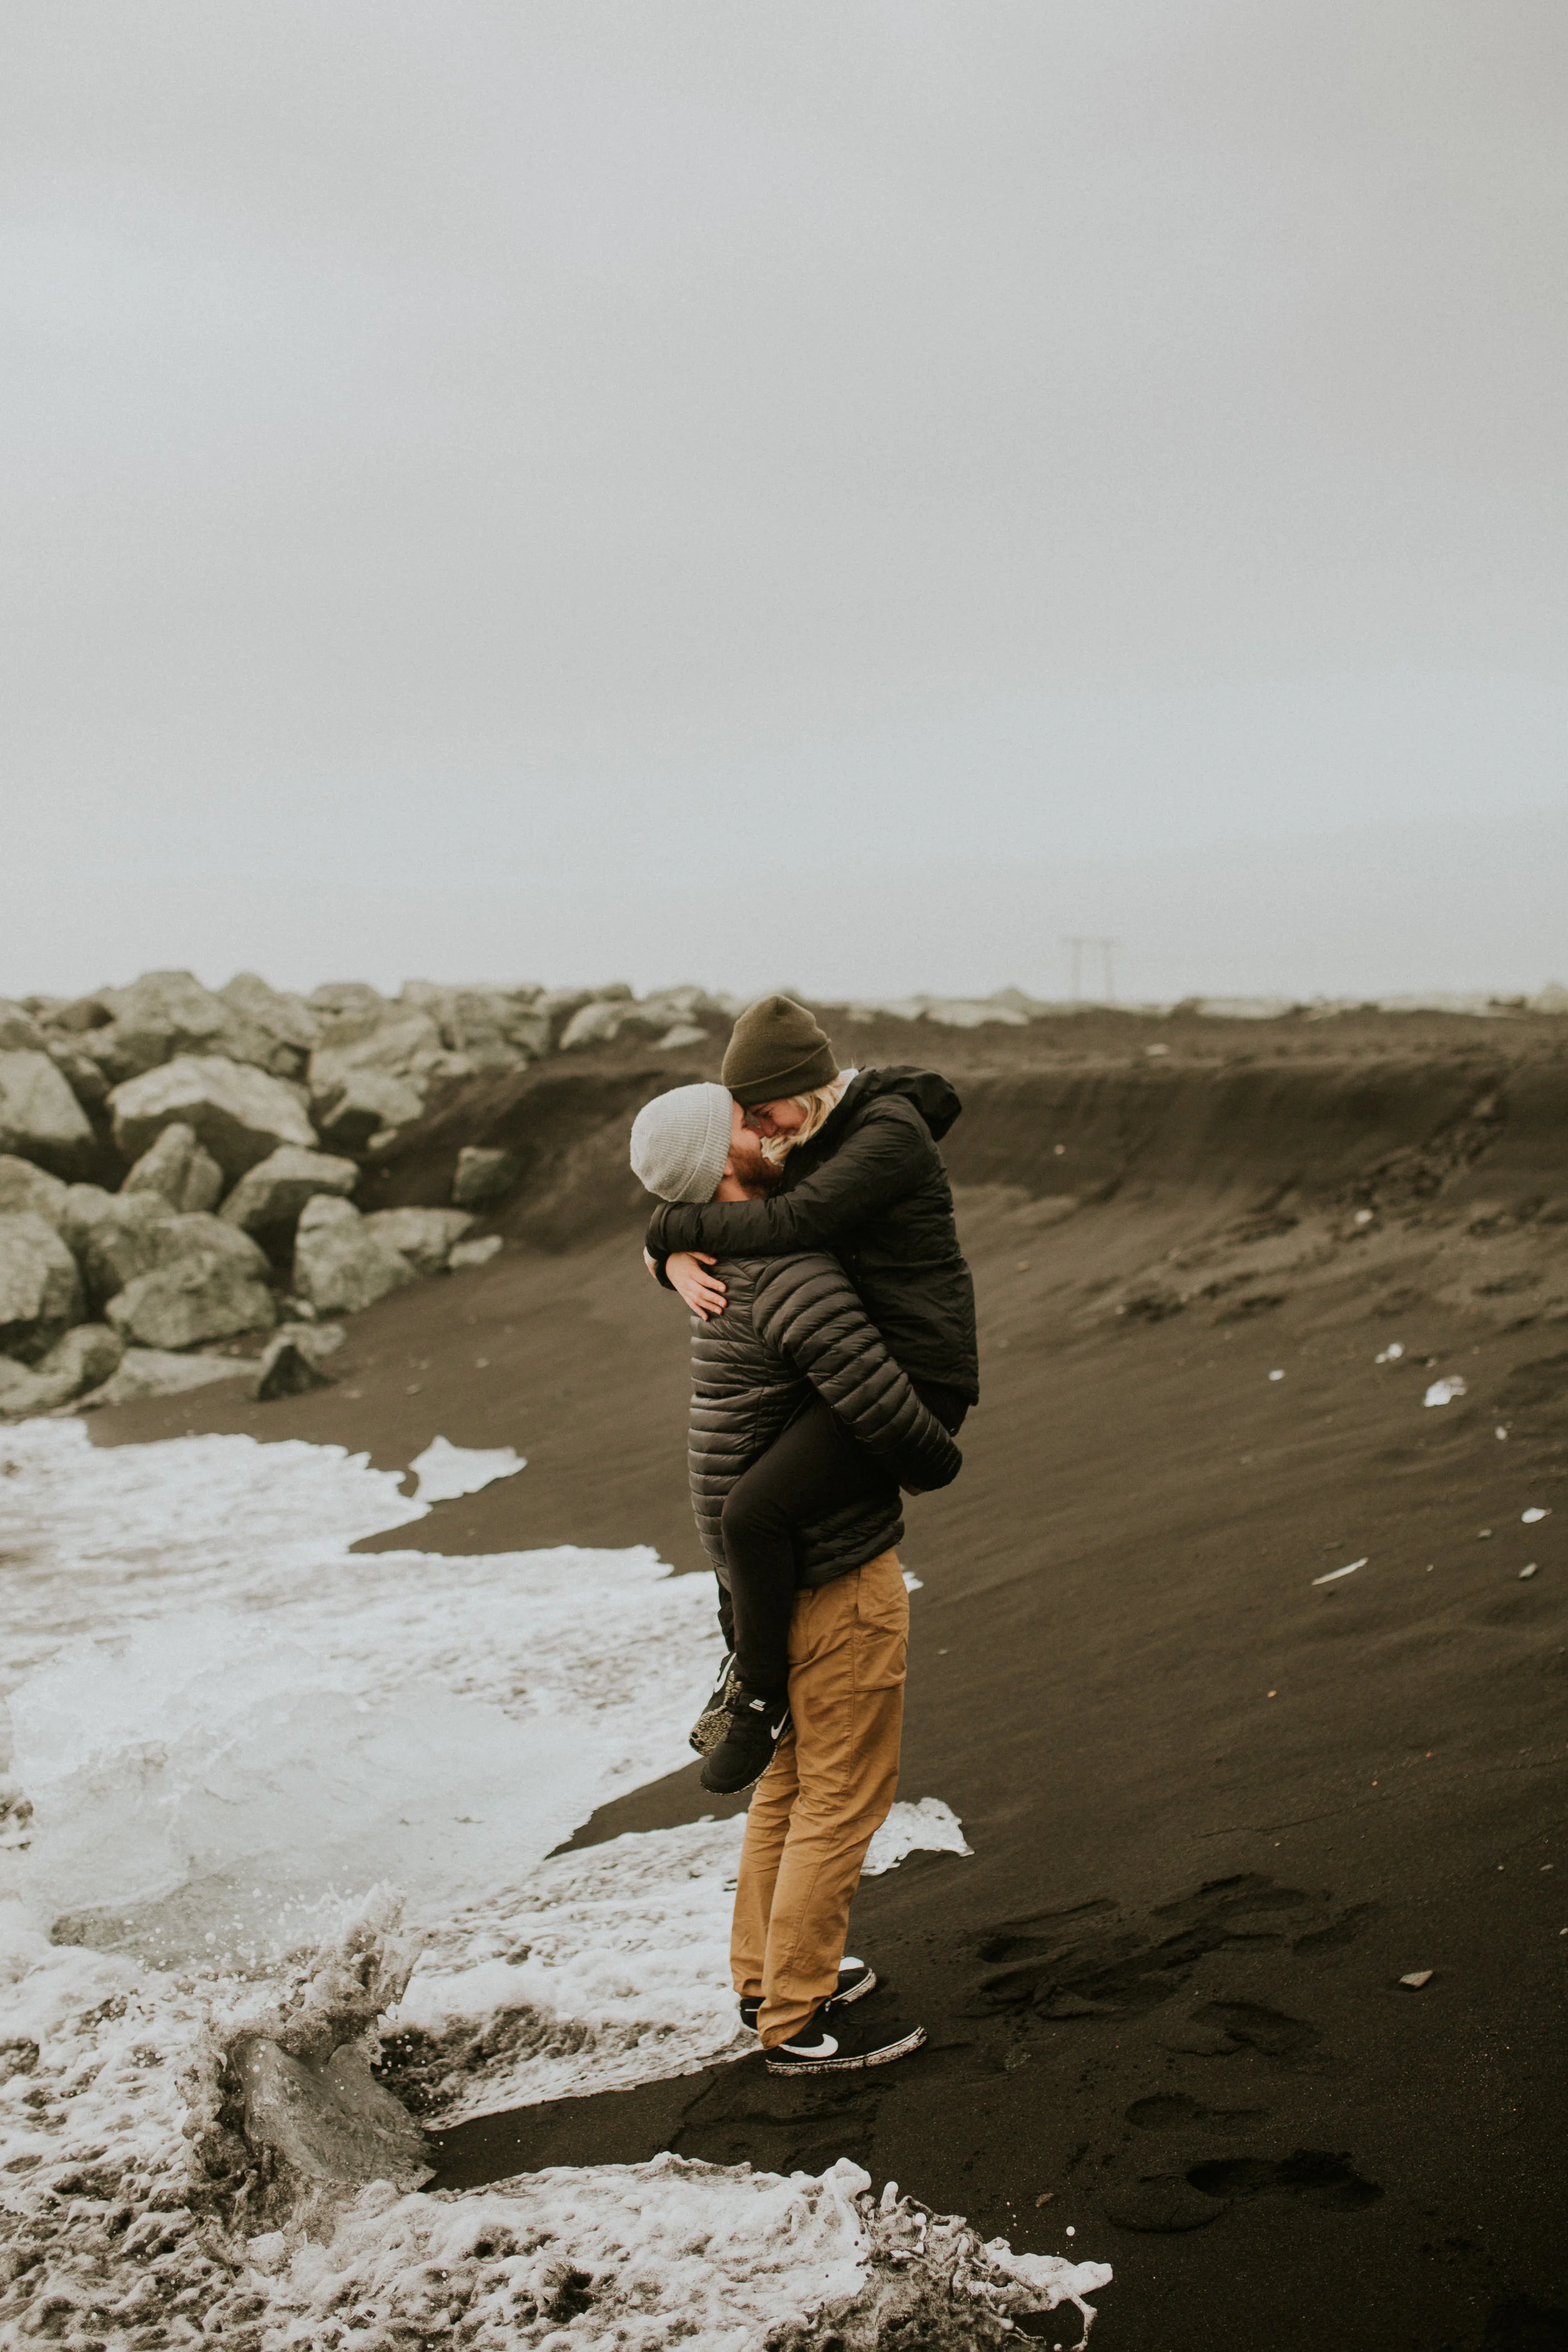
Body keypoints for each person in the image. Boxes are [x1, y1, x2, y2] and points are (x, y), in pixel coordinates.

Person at [629, 1079, 956, 2071]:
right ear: (719, 1161)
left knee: (789, 1779)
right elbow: (887, 1408)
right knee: (841, 1794)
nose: (769, 1129)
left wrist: (661, 1247)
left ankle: (763, 1977)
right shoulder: (795, 1275)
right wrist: (938, 1452)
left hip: (757, 1576)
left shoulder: (722, 1259)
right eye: (744, 1123)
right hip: (831, 1570)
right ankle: (799, 2019)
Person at [642, 995, 978, 1729]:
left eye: (763, 1113)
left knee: (755, 1510)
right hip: (846, 1358)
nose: (760, 1132)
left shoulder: (889, 1135)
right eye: (749, 1119)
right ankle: (744, 1663)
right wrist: (667, 1257)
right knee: (729, 1482)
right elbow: (737, 1197)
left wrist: (667, 1228)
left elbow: (798, 1222)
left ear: (803, 1089)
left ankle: (762, 1695)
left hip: (916, 1373)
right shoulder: (811, 1132)